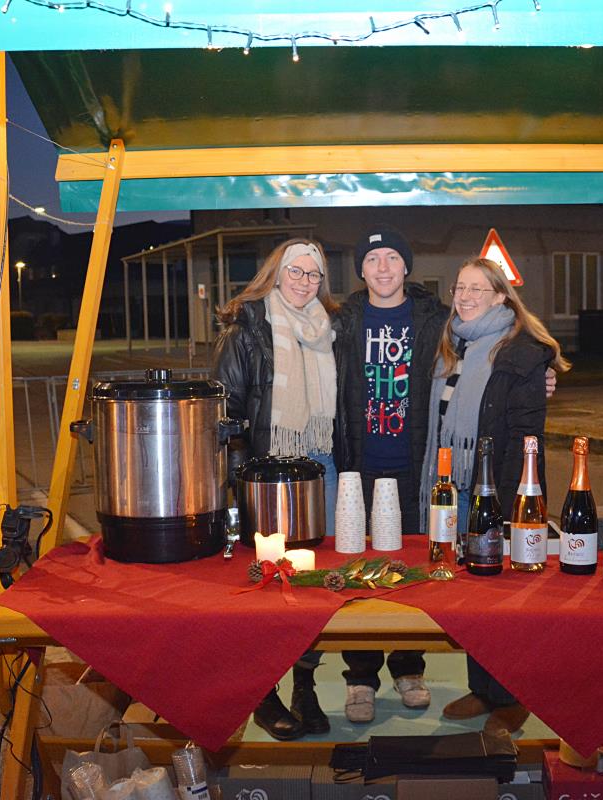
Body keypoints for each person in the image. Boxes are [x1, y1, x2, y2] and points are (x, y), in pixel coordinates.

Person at [419, 256, 570, 735]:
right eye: (459, 288)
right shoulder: (454, 344)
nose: (464, 297)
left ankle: (512, 697)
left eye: (477, 289)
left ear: (501, 296)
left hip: (494, 489)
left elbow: (527, 437)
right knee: (470, 596)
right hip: (455, 488)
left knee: (504, 600)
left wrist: (510, 508)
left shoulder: (521, 352)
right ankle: (483, 689)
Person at [212, 238, 339, 741]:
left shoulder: (330, 328)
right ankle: (263, 693)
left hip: (320, 465)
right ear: (276, 273)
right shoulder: (245, 327)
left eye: (314, 274)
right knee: (266, 587)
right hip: (264, 473)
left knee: (315, 584)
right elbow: (225, 411)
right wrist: (241, 481)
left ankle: (305, 685)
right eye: (296, 271)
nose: (305, 282)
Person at [333, 224, 450, 723]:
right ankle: (360, 678)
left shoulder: (436, 319)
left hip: (413, 467)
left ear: (406, 266)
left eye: (392, 258)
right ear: (360, 270)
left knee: (410, 574)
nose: (383, 268)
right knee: (356, 575)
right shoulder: (342, 320)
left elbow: (497, 342)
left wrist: (544, 369)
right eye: (372, 259)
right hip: (358, 468)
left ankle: (409, 668)